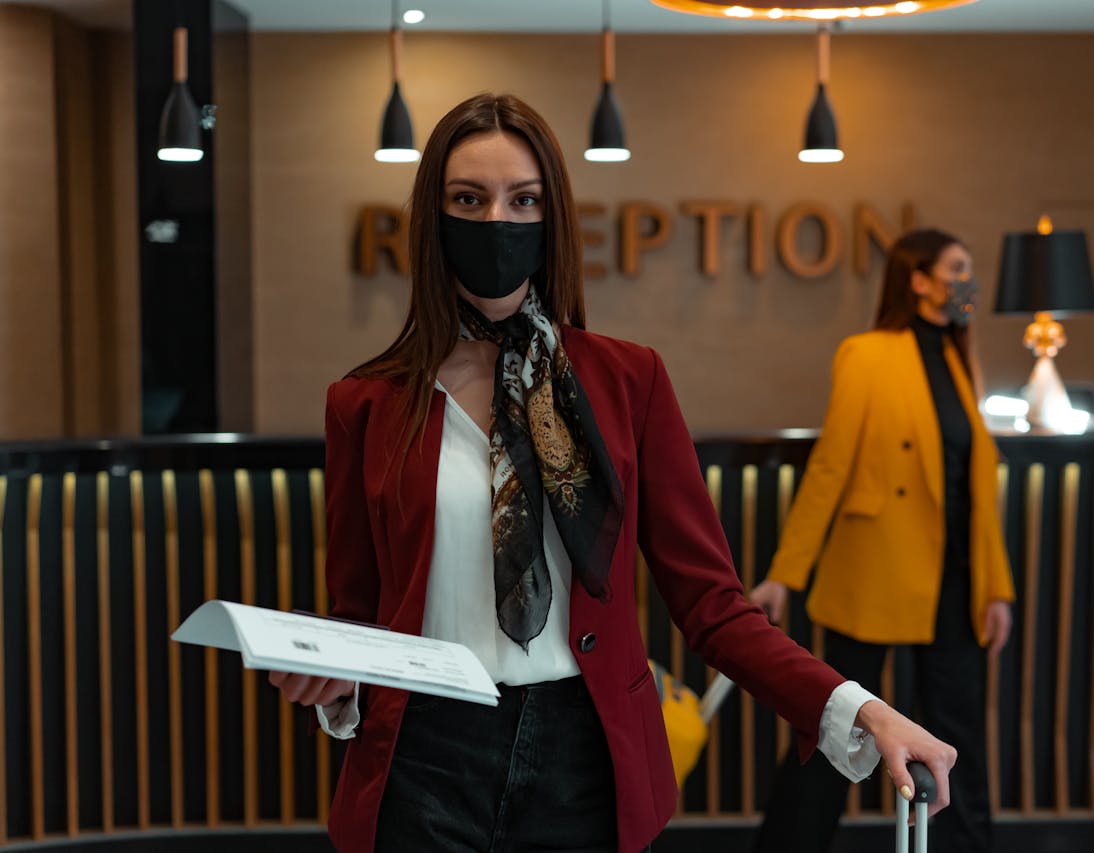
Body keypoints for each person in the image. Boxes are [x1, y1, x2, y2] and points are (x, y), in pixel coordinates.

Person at [267, 93, 957, 853]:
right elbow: (359, 610)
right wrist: (332, 678)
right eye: (470, 198)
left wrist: (858, 708)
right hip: (423, 759)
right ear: (434, 217)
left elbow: (713, 604)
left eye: (522, 199)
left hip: (584, 757)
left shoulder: (629, 382)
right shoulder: (366, 403)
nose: (497, 221)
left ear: (552, 216)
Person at [749, 228, 1016, 853]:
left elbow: (977, 487)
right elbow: (831, 467)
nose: (966, 283)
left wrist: (996, 587)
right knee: (839, 736)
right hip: (874, 571)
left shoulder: (959, 356)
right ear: (917, 279)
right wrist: (785, 574)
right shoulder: (867, 353)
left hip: (955, 581)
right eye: (956, 268)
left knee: (957, 742)